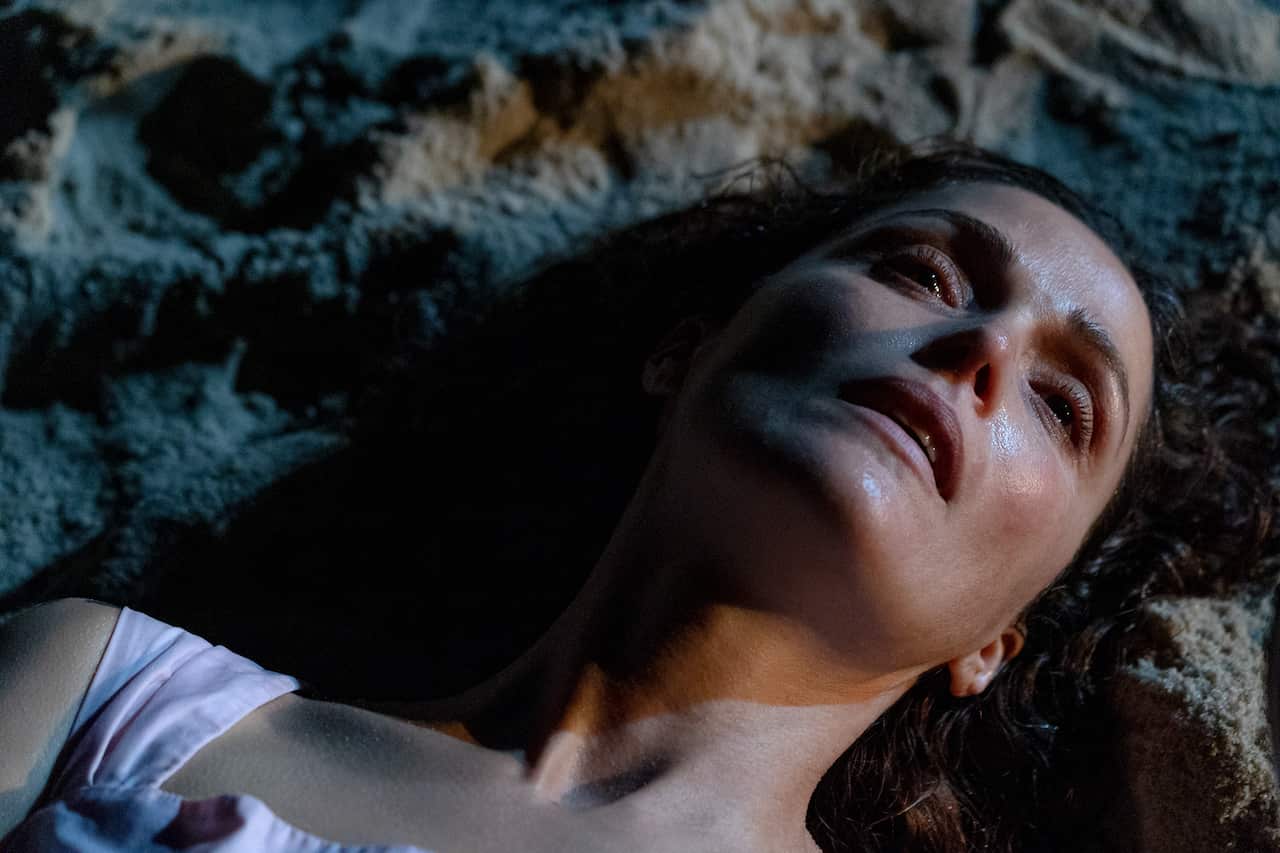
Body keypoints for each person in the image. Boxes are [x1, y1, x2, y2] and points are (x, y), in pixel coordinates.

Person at [0, 142, 1269, 853]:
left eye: (1061, 404)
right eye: (924, 271)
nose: (984, 350)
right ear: (689, 347)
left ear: (990, 642)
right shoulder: (102, 688)